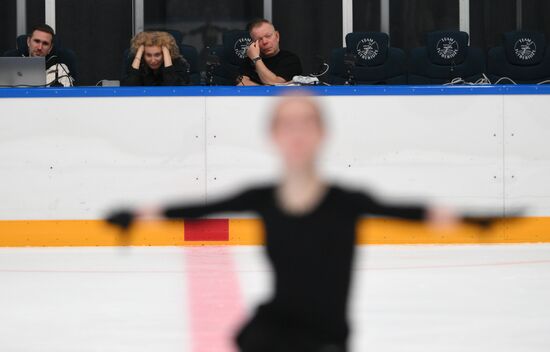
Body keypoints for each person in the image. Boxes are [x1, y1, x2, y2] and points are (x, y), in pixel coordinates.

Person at [107, 92, 459, 352]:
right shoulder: (263, 197)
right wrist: (138, 214)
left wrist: (476, 220)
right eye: (287, 124)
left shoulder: (345, 202)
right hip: (277, 328)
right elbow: (203, 208)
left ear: (323, 133)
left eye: (307, 123)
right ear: (273, 135)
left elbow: (405, 211)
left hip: (327, 336)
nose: (297, 133)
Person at [237, 19, 303, 86]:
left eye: (268, 36)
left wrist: (256, 59)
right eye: (259, 39)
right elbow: (242, 84)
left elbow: (275, 83)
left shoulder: (291, 60)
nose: (265, 42)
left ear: (277, 36)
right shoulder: (247, 61)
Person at [5, 24, 74, 87]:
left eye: (45, 43)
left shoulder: (60, 69)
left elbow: (69, 96)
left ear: (50, 48)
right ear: (28, 42)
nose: (40, 47)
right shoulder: (10, 66)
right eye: (37, 41)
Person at [121, 31, 190, 86]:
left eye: (157, 55)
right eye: (148, 55)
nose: (153, 60)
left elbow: (174, 90)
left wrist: (167, 55)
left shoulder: (178, 63)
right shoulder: (136, 63)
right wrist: (138, 54)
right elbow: (128, 88)